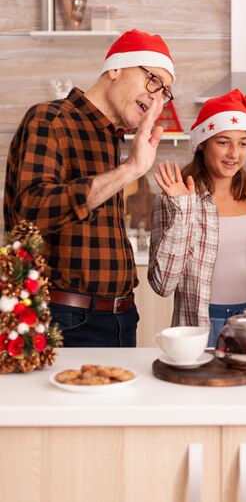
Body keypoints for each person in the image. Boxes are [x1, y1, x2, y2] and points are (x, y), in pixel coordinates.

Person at [3, 29, 175, 347]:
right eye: (153, 79)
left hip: (122, 316)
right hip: (66, 319)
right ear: (115, 69)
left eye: (166, 92)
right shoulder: (50, 119)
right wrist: (129, 171)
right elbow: (31, 212)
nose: (157, 98)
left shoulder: (112, 137)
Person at [147, 89, 246, 347]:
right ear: (203, 143)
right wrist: (183, 211)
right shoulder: (173, 200)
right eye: (223, 141)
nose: (234, 154)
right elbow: (162, 284)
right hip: (204, 327)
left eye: (242, 142)